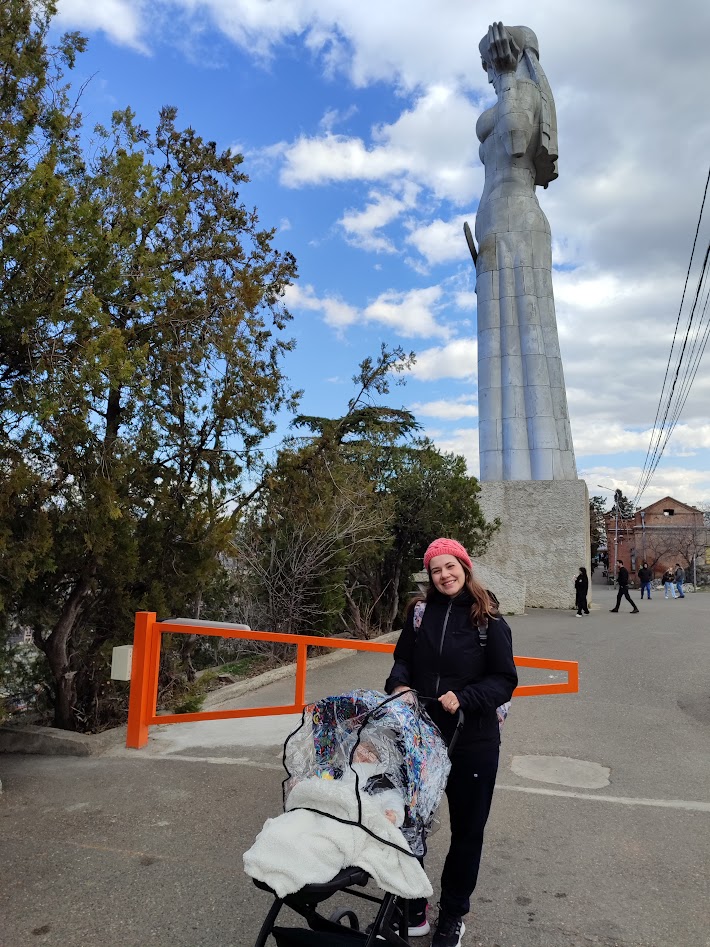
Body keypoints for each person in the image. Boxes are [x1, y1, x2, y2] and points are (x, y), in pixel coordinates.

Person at [384, 537, 518, 947]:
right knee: (412, 823)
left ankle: (453, 914)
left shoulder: (487, 618)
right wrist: (400, 684)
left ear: (465, 566)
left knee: (467, 831)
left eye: (450, 566)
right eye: (436, 569)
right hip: (422, 736)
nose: (444, 575)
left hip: (474, 739)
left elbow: (504, 680)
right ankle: (414, 904)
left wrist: (465, 698)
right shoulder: (420, 613)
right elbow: (402, 658)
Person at [474, 22, 576, 481]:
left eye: (492, 61)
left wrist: (511, 77)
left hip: (520, 218)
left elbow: (517, 142)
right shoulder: (501, 98)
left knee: (530, 348)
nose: (488, 71)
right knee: (496, 357)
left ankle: (540, 476)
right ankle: (499, 478)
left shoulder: (524, 96)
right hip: (493, 223)